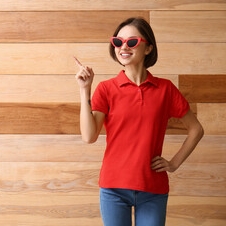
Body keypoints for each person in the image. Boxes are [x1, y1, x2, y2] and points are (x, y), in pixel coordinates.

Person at [74, 17, 204, 226]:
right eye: (118, 42)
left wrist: (173, 163)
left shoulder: (166, 89)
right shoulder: (106, 89)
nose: (123, 47)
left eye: (132, 41)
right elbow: (89, 137)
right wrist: (84, 89)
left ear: (148, 48)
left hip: (153, 189)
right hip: (113, 189)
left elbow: (196, 130)